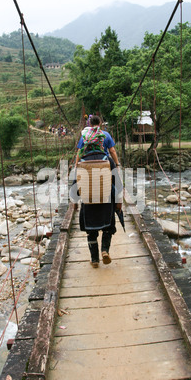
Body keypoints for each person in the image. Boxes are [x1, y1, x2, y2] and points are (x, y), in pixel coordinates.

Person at [72, 115, 122, 268]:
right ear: (101, 142)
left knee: (91, 232)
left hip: (88, 202)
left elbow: (75, 186)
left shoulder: (82, 162)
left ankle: (94, 260)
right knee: (108, 228)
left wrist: (75, 203)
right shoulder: (107, 160)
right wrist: (118, 203)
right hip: (106, 202)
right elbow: (118, 183)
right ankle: (105, 250)